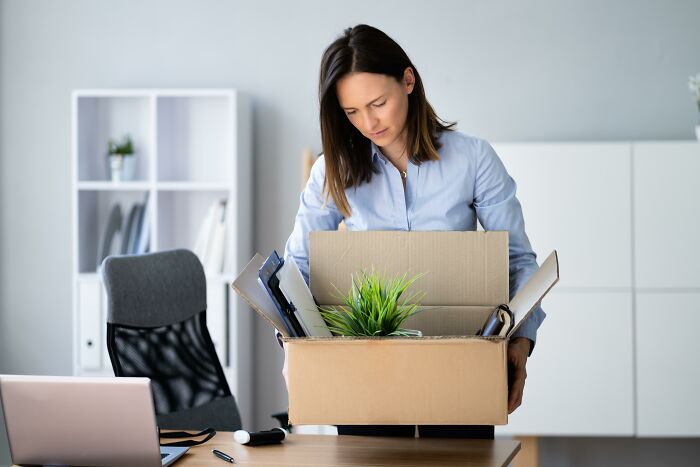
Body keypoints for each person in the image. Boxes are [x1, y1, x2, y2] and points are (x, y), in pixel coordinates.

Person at [283, 24, 544, 439]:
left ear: (408, 81)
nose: (368, 122)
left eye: (378, 103)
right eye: (351, 112)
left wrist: (521, 342)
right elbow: (296, 266)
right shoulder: (331, 170)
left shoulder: (473, 159)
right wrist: (294, 342)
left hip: (459, 365)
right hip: (366, 370)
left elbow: (519, 261)